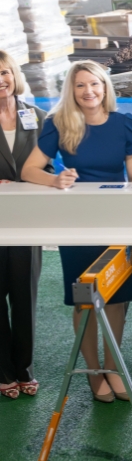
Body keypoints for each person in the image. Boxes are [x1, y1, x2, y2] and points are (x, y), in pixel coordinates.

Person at [20, 61, 132, 404]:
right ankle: (92, 373)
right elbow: (30, 170)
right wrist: (55, 179)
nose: (89, 91)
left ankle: (112, 367)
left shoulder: (125, 123)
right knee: (84, 300)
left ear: (105, 87)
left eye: (95, 84)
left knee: (117, 299)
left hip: (117, 219)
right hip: (76, 221)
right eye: (80, 86)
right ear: (71, 91)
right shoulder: (59, 123)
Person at [0, 51, 46, 400]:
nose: (1, 80)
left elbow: (46, 164)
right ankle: (3, 371)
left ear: (14, 75)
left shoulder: (38, 117)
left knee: (24, 296)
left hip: (27, 220)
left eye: (4, 72)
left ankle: (24, 367)